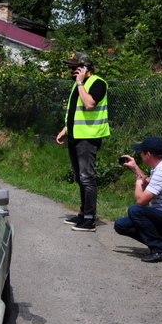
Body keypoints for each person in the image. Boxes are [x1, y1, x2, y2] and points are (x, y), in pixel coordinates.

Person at [114, 137, 162, 263]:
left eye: (142, 152)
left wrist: (138, 184)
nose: (140, 155)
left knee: (135, 210)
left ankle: (159, 249)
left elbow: (141, 200)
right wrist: (135, 168)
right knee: (121, 225)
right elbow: (152, 182)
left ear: (148, 154)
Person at [56, 51, 110, 232]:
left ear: (86, 67)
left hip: (88, 137)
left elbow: (89, 104)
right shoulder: (78, 85)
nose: (71, 70)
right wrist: (65, 130)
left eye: (75, 67)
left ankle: (89, 219)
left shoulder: (98, 83)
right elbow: (75, 111)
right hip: (75, 135)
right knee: (80, 178)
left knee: (87, 178)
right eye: (70, 67)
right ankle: (82, 213)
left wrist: (80, 83)